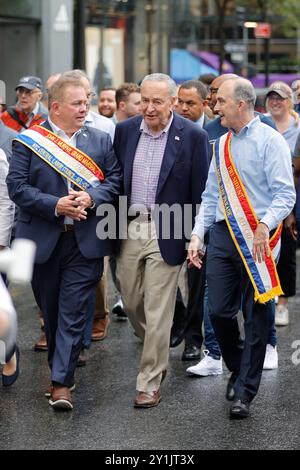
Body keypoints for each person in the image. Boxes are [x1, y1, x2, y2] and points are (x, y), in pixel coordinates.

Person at [7, 75, 122, 410]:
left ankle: (61, 384)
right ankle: (59, 370)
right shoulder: (28, 141)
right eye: (77, 104)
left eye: (86, 102)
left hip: (83, 242)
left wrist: (91, 196)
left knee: (73, 312)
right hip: (44, 240)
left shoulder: (100, 140)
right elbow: (17, 188)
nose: (84, 108)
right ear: (55, 107)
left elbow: (114, 180)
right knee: (53, 313)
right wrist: (54, 205)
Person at [188, 78, 295, 419]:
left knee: (256, 315)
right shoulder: (219, 145)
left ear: (242, 104)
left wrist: (265, 223)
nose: (215, 107)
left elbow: (285, 194)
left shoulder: (271, 141)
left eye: (220, 101)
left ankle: (245, 392)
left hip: (259, 239)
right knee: (218, 311)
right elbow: (209, 196)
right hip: (221, 234)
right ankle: (236, 366)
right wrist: (197, 235)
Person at [114, 73, 209, 408]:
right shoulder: (125, 132)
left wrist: (197, 235)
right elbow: (116, 180)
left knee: (157, 307)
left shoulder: (193, 137)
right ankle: (160, 342)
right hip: (128, 226)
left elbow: (201, 193)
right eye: (144, 100)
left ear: (172, 102)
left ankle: (149, 380)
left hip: (170, 228)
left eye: (157, 101)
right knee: (131, 301)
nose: (149, 108)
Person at [172, 79, 211, 361]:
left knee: (196, 280)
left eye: (190, 104)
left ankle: (193, 338)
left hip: (203, 216)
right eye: (180, 102)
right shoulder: (169, 128)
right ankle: (178, 321)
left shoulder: (216, 131)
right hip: (170, 214)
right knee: (165, 276)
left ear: (205, 104)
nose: (183, 108)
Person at [265, 81, 300, 327]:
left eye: (280, 98)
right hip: (261, 198)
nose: (275, 102)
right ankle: (263, 298)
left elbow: (295, 173)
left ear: (289, 101)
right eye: (271, 98)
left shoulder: (298, 129)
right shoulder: (262, 123)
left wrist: (290, 210)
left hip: (288, 197)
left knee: (286, 251)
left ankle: (282, 302)